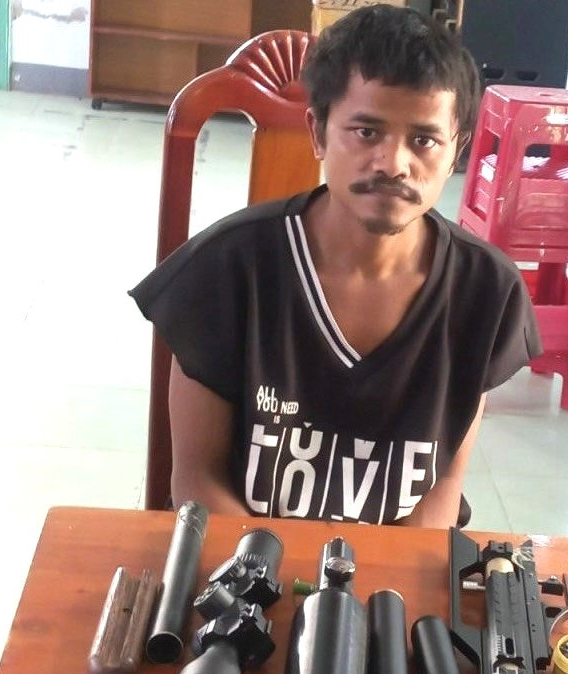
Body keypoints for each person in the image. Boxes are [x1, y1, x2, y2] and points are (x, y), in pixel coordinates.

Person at [129, 5, 541, 528]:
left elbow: (442, 490)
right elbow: (198, 479)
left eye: (424, 140)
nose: (394, 164)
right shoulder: (224, 272)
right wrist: (280, 572)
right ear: (319, 132)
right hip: (243, 560)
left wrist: (378, 577)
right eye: (366, 132)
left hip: (400, 568)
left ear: (456, 150)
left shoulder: (485, 293)